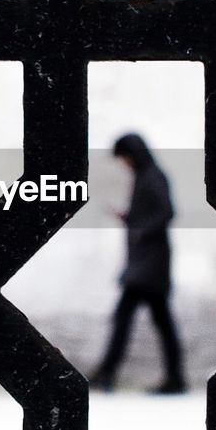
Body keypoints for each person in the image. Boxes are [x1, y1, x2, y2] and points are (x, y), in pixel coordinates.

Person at [88, 133, 187, 394]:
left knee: (127, 318)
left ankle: (107, 373)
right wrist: (130, 218)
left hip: (148, 265)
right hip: (146, 263)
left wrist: (141, 229)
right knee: (160, 322)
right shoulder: (147, 176)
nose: (124, 163)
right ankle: (174, 377)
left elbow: (166, 212)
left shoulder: (153, 177)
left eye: (124, 157)